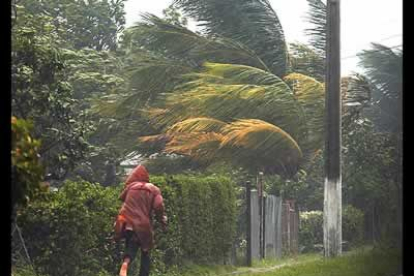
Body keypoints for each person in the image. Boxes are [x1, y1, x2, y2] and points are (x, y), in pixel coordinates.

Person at [114, 164, 167, 276]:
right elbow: (159, 206)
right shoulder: (154, 189)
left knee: (130, 246)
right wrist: (162, 221)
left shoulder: (131, 186)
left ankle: (125, 263)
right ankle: (138, 271)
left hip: (126, 223)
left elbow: (121, 198)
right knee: (146, 251)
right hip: (143, 226)